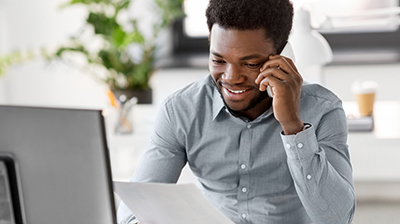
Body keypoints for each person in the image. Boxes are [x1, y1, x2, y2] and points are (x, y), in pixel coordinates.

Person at [118, 0, 355, 223]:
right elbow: (134, 205)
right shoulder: (181, 110)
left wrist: (293, 125)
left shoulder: (323, 109)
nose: (231, 78)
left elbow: (336, 218)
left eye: (251, 64)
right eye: (219, 60)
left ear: (284, 56)